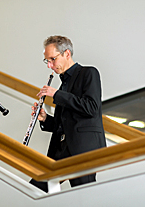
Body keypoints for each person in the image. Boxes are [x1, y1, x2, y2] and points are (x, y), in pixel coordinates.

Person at [29, 35, 106, 192]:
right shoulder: (64, 83)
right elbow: (62, 124)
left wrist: (57, 95)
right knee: (35, 188)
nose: (50, 65)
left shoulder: (88, 73)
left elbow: (91, 108)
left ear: (67, 54)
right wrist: (44, 119)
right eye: (47, 61)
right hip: (62, 148)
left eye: (52, 59)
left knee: (84, 195)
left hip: (82, 149)